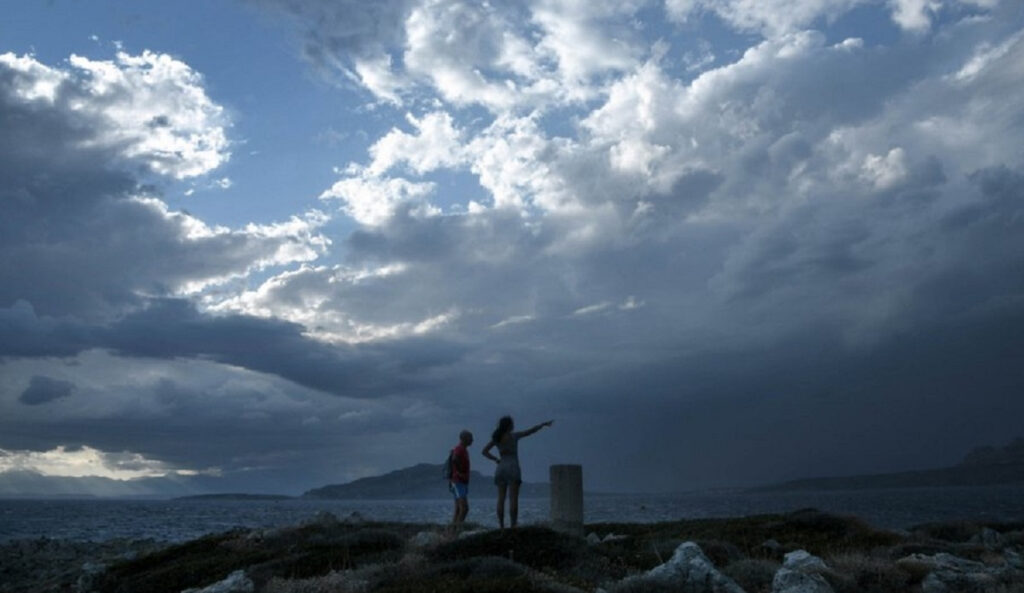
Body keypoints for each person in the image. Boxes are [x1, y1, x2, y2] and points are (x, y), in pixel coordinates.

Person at [481, 416, 553, 529]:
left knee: (501, 499)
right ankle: (513, 525)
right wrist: (542, 425)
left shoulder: (496, 438)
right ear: (509, 425)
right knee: (513, 498)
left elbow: (484, 451)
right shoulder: (514, 436)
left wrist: (495, 459)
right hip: (513, 467)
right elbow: (529, 431)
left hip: (501, 467)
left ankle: (501, 526)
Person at [449, 429, 473, 533]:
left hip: (459, 481)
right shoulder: (459, 449)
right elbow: (454, 459)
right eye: (470, 438)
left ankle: (452, 530)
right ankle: (457, 529)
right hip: (458, 481)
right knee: (464, 508)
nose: (472, 440)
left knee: (458, 509)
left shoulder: (462, 449)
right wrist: (459, 471)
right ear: (464, 439)